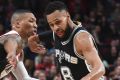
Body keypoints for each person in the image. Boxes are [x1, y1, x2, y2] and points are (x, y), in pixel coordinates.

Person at [28, 1, 105, 80]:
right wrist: (33, 40)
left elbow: (100, 68)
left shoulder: (81, 38)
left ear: (68, 16)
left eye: (58, 22)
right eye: (51, 25)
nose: (55, 28)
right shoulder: (58, 33)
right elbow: (47, 35)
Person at [0, 10, 39, 80]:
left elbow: (24, 78)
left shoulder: (18, 53)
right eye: (31, 21)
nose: (35, 25)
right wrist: (11, 51)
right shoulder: (13, 35)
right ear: (18, 24)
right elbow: (10, 40)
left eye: (36, 22)